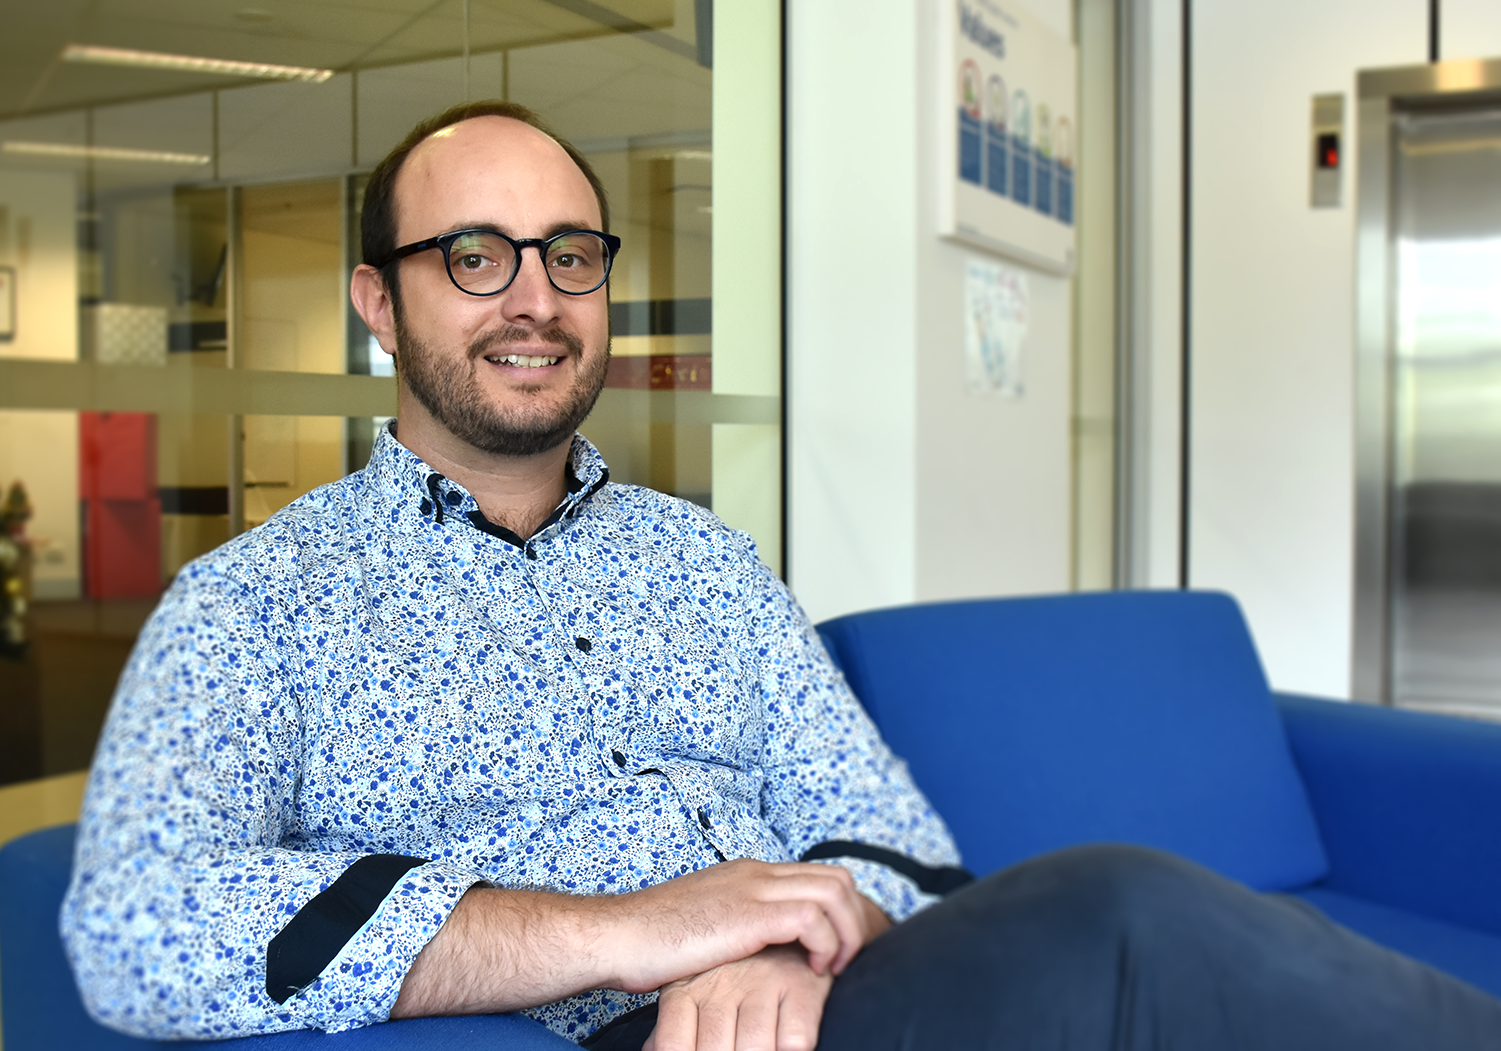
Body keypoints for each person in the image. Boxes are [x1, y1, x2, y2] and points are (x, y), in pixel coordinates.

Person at [61, 101, 1501, 1051]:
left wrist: (817, 936)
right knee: (1127, 919)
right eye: (474, 256)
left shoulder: (707, 563)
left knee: (1169, 948)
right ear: (380, 299)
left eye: (570, 254)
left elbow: (903, 845)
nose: (535, 299)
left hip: (845, 1004)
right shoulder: (259, 606)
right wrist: (639, 933)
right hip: (637, 1033)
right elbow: (133, 924)